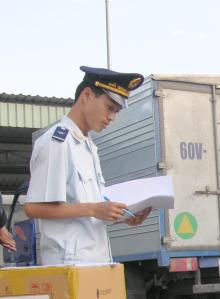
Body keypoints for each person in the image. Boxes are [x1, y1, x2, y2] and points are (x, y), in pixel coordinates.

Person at [25, 66, 151, 265]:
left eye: (116, 111)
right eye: (110, 107)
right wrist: (93, 209)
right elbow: (34, 208)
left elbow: (89, 209)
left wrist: (122, 216)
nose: (112, 117)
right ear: (87, 95)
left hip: (96, 261)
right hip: (68, 265)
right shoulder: (57, 142)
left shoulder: (89, 146)